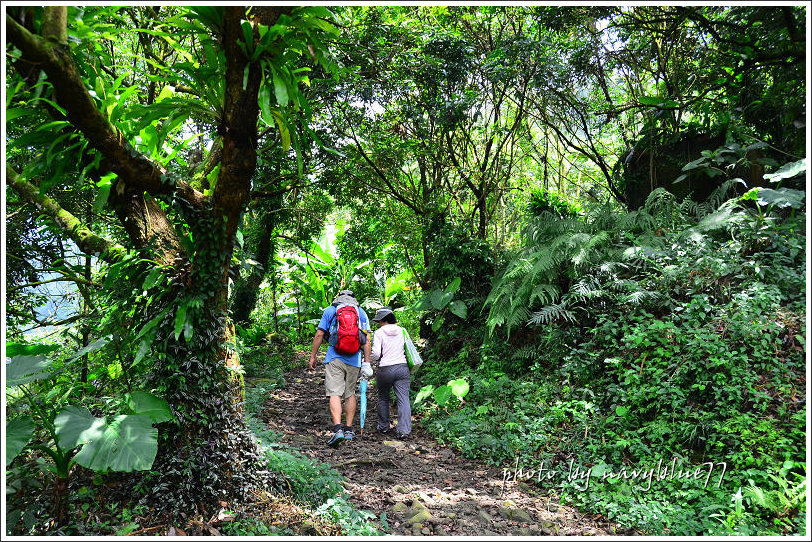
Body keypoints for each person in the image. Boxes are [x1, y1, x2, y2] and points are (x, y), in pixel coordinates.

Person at [308, 290, 373, 446]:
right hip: (355, 359)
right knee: (350, 393)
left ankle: (338, 430)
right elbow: (367, 340)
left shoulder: (331, 310)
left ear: (338, 298)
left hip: (334, 357)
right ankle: (349, 429)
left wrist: (313, 356)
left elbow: (319, 334)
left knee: (335, 393)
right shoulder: (361, 312)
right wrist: (367, 362)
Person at [370, 307, 412, 439]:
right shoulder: (402, 330)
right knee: (403, 399)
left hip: (385, 369)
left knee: (383, 397)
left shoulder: (379, 332)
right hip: (402, 368)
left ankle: (384, 427)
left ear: (382, 320)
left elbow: (376, 353)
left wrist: (368, 360)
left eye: (379, 321)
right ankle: (404, 430)